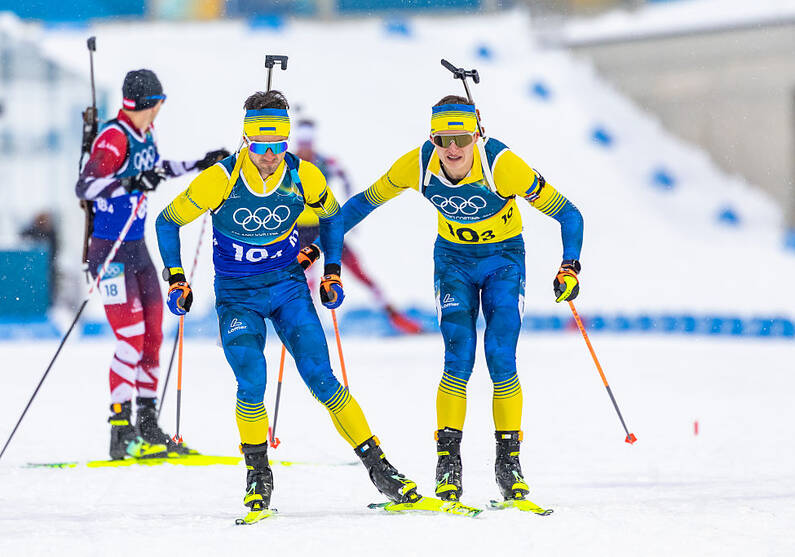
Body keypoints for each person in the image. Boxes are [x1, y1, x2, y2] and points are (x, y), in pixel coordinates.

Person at [154, 90, 420, 514]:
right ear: (245, 140)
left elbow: (332, 217)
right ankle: (258, 475)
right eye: (259, 146)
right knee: (251, 380)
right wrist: (176, 279)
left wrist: (330, 270)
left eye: (277, 145)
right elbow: (167, 221)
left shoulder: (304, 175)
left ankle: (381, 469)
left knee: (323, 380)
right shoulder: (220, 179)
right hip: (239, 297)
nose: (269, 155)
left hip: (288, 288)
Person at [321, 96, 584, 503]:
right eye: (443, 139)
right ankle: (448, 465)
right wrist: (321, 244)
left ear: (476, 134)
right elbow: (359, 205)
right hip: (453, 262)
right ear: (432, 138)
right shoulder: (418, 164)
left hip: (502, 262)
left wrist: (569, 266)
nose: (453, 148)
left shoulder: (503, 166)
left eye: (461, 137)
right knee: (457, 356)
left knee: (500, 355)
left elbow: (569, 213)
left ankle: (508, 465)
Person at [75, 69, 228, 460]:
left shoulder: (145, 134)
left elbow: (156, 171)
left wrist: (202, 163)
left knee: (153, 337)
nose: (161, 109)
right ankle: (120, 432)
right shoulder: (113, 137)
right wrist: (129, 184)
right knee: (130, 339)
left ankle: (147, 426)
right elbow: (86, 186)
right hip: (108, 253)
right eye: (159, 103)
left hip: (137, 249)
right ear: (151, 103)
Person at [293, 119, 422, 334]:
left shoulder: (325, 161)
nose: (306, 144)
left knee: (357, 271)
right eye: (303, 139)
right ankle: (305, 327)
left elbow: (345, 179)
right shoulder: (291, 162)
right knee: (306, 278)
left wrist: (346, 216)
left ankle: (395, 317)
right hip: (298, 230)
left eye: (309, 139)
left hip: (324, 225)